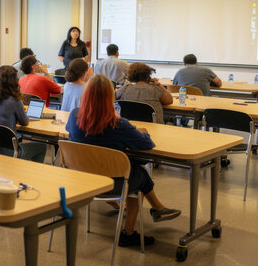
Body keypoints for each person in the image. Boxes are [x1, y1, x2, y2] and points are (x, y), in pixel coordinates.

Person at [66, 75, 181, 247]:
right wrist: (140, 131)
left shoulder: (74, 116)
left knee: (132, 168)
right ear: (110, 97)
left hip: (82, 179)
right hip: (111, 184)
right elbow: (147, 144)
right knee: (138, 174)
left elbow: (70, 132)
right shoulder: (119, 124)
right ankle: (129, 233)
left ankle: (157, 208)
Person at [0, 66, 46, 163]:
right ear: (14, 81)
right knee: (41, 148)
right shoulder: (15, 101)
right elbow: (24, 122)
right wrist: (21, 112)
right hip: (8, 152)